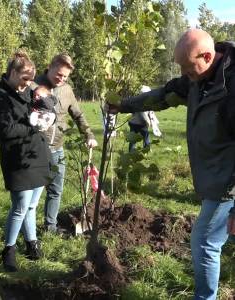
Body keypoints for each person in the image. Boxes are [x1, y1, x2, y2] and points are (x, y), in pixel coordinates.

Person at [107, 29, 235, 299]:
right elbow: (164, 96)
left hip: (228, 183)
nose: (186, 76)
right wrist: (125, 105)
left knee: (204, 242)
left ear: (208, 56)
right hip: (212, 175)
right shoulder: (198, 78)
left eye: (189, 69)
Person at [0, 50, 52, 272]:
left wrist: (45, 104)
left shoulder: (28, 91)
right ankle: (8, 249)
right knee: (20, 206)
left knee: (32, 205)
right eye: (25, 78)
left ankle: (31, 243)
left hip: (37, 154)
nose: (28, 84)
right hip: (17, 158)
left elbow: (47, 107)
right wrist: (34, 126)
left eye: (31, 79)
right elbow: (6, 130)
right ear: (13, 72)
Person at [34, 53, 98, 233]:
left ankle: (50, 227)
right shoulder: (34, 85)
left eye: (65, 77)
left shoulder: (66, 90)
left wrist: (89, 135)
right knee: (32, 195)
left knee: (55, 189)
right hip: (36, 149)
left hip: (57, 150)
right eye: (59, 74)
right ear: (51, 66)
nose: (61, 79)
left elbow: (78, 115)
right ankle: (27, 231)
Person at [128, 85, 161, 151]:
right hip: (140, 123)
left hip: (133, 122)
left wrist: (154, 122)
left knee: (133, 138)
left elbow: (150, 113)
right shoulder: (141, 102)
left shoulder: (136, 100)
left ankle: (132, 150)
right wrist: (148, 122)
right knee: (145, 136)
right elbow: (143, 114)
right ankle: (146, 149)